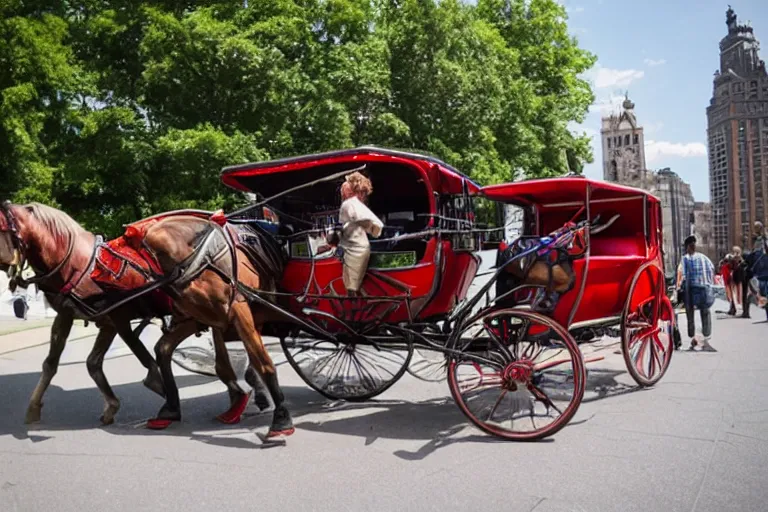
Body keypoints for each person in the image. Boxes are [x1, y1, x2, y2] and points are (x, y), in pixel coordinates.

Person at [337, 171, 383, 296]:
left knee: (351, 283)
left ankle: (352, 298)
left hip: (356, 248)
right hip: (353, 244)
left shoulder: (352, 204)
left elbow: (365, 221)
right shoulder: (352, 204)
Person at [678, 235, 716, 352]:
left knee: (690, 313)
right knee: (705, 311)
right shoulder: (704, 257)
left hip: (692, 289)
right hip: (704, 288)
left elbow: (683, 275)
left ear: (688, 247)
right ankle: (706, 336)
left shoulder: (685, 259)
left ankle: (692, 337)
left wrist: (679, 287)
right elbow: (712, 269)